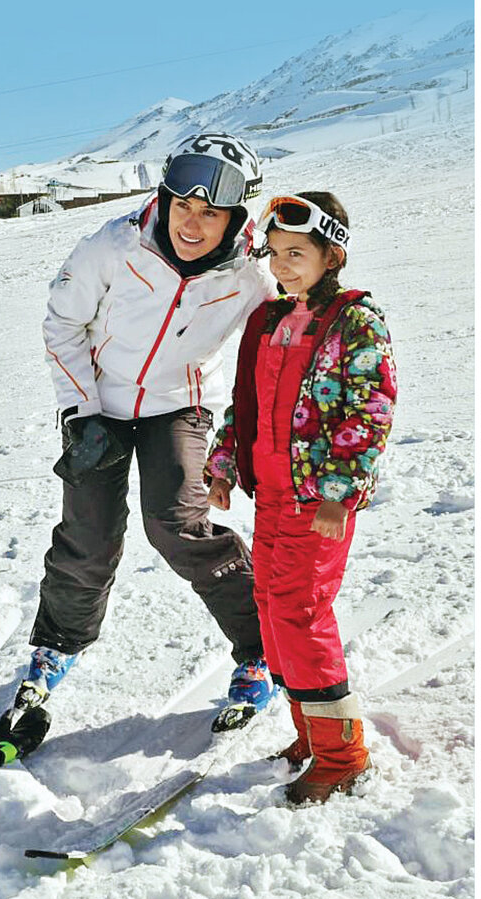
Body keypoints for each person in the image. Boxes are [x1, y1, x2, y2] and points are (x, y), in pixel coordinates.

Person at [18, 133, 279, 723]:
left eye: (210, 213)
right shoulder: (113, 246)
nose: (192, 222)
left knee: (177, 523)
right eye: (183, 205)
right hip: (99, 404)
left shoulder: (250, 278)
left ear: (235, 218)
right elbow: (62, 326)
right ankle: (59, 644)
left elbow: (279, 342)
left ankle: (262, 647)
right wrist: (81, 412)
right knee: (88, 532)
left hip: (180, 405)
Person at [206, 192, 395, 804]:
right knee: (268, 605)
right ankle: (310, 732)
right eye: (275, 253)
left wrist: (342, 491)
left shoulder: (354, 322)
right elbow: (247, 403)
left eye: (297, 253)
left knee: (300, 611)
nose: (283, 265)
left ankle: (343, 754)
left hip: (318, 502)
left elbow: (370, 409)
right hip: (270, 496)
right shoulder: (269, 321)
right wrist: (225, 463)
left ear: (330, 254)